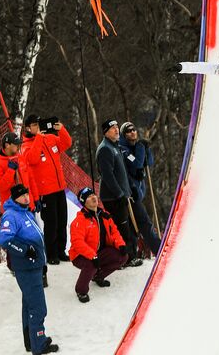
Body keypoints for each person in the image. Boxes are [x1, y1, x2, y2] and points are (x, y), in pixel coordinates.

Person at [0, 184, 59, 355]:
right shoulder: (11, 215)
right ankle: (39, 344)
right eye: (22, 196)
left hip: (35, 266)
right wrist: (25, 250)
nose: (26, 198)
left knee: (29, 306)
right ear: (14, 198)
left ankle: (30, 342)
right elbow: (5, 240)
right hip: (27, 268)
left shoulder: (26, 212)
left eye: (27, 194)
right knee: (38, 308)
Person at [0, 132, 47, 286]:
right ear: (6, 145)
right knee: (15, 237)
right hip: (12, 209)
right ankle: (14, 266)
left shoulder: (20, 156)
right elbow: (1, 186)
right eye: (15, 144)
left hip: (27, 204)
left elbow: (30, 179)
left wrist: (35, 198)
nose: (18, 146)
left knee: (33, 235)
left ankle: (39, 265)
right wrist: (10, 171)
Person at [21, 114, 73, 265]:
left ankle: (61, 250)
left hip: (59, 187)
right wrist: (38, 138)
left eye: (39, 124)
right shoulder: (26, 145)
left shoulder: (50, 138)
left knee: (62, 220)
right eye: (34, 125)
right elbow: (32, 159)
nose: (38, 127)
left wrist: (61, 129)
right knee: (51, 223)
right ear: (28, 128)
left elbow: (67, 143)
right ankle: (51, 253)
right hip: (45, 191)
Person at [95, 119, 143, 267]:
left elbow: (122, 172)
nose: (117, 130)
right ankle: (125, 258)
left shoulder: (115, 146)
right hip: (113, 197)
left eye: (117, 127)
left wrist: (131, 188)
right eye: (113, 128)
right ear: (106, 132)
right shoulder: (105, 149)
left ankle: (128, 255)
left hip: (123, 194)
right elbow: (108, 176)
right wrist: (119, 194)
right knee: (121, 228)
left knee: (127, 226)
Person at [69, 187, 128, 303]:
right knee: (91, 264)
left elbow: (114, 232)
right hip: (81, 255)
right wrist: (92, 255)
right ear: (84, 203)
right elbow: (77, 242)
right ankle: (81, 290)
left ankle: (98, 276)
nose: (93, 197)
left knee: (123, 256)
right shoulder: (79, 220)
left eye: (93, 195)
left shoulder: (105, 215)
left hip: (98, 252)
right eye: (89, 197)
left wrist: (121, 244)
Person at [119, 122, 161, 255]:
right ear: (123, 135)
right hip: (130, 193)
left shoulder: (135, 147)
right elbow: (137, 163)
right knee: (144, 222)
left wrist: (145, 148)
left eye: (134, 129)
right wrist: (141, 148)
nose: (132, 132)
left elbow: (149, 162)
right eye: (128, 131)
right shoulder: (124, 150)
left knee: (133, 226)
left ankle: (134, 252)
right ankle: (158, 248)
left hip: (138, 192)